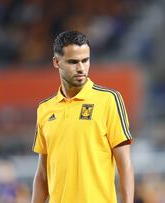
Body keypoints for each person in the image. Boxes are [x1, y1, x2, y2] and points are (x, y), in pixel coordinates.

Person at [31, 30, 134, 203]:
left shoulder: (109, 100)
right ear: (57, 62)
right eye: (73, 62)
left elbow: (125, 165)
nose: (81, 68)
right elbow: (42, 174)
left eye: (85, 60)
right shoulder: (45, 109)